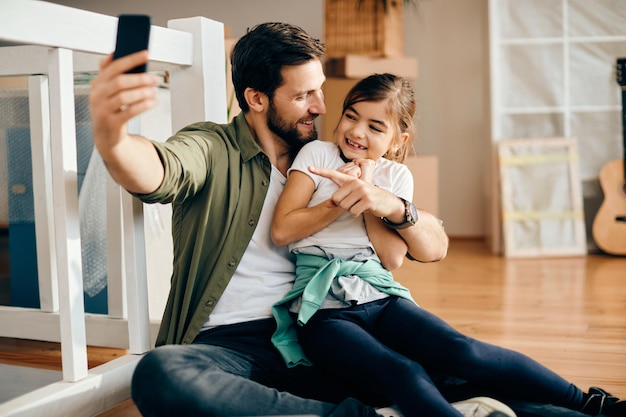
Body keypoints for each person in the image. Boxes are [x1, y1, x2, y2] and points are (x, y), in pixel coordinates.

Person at [87, 21, 623, 417]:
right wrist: (112, 138)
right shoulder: (215, 146)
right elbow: (158, 169)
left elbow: (429, 246)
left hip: (340, 332)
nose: (322, 107)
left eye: (322, 91)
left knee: (462, 374)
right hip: (241, 349)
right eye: (303, 95)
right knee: (163, 375)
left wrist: (394, 207)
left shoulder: (338, 158)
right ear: (255, 98)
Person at [269, 73, 626, 417]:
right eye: (351, 116)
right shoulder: (317, 155)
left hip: (378, 296)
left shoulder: (395, 176)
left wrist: (372, 194)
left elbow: (391, 258)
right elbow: (283, 230)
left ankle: (590, 403)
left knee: (466, 352)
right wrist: (338, 202)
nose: (357, 132)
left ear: (398, 141)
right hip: (323, 309)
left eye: (376, 127)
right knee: (403, 372)